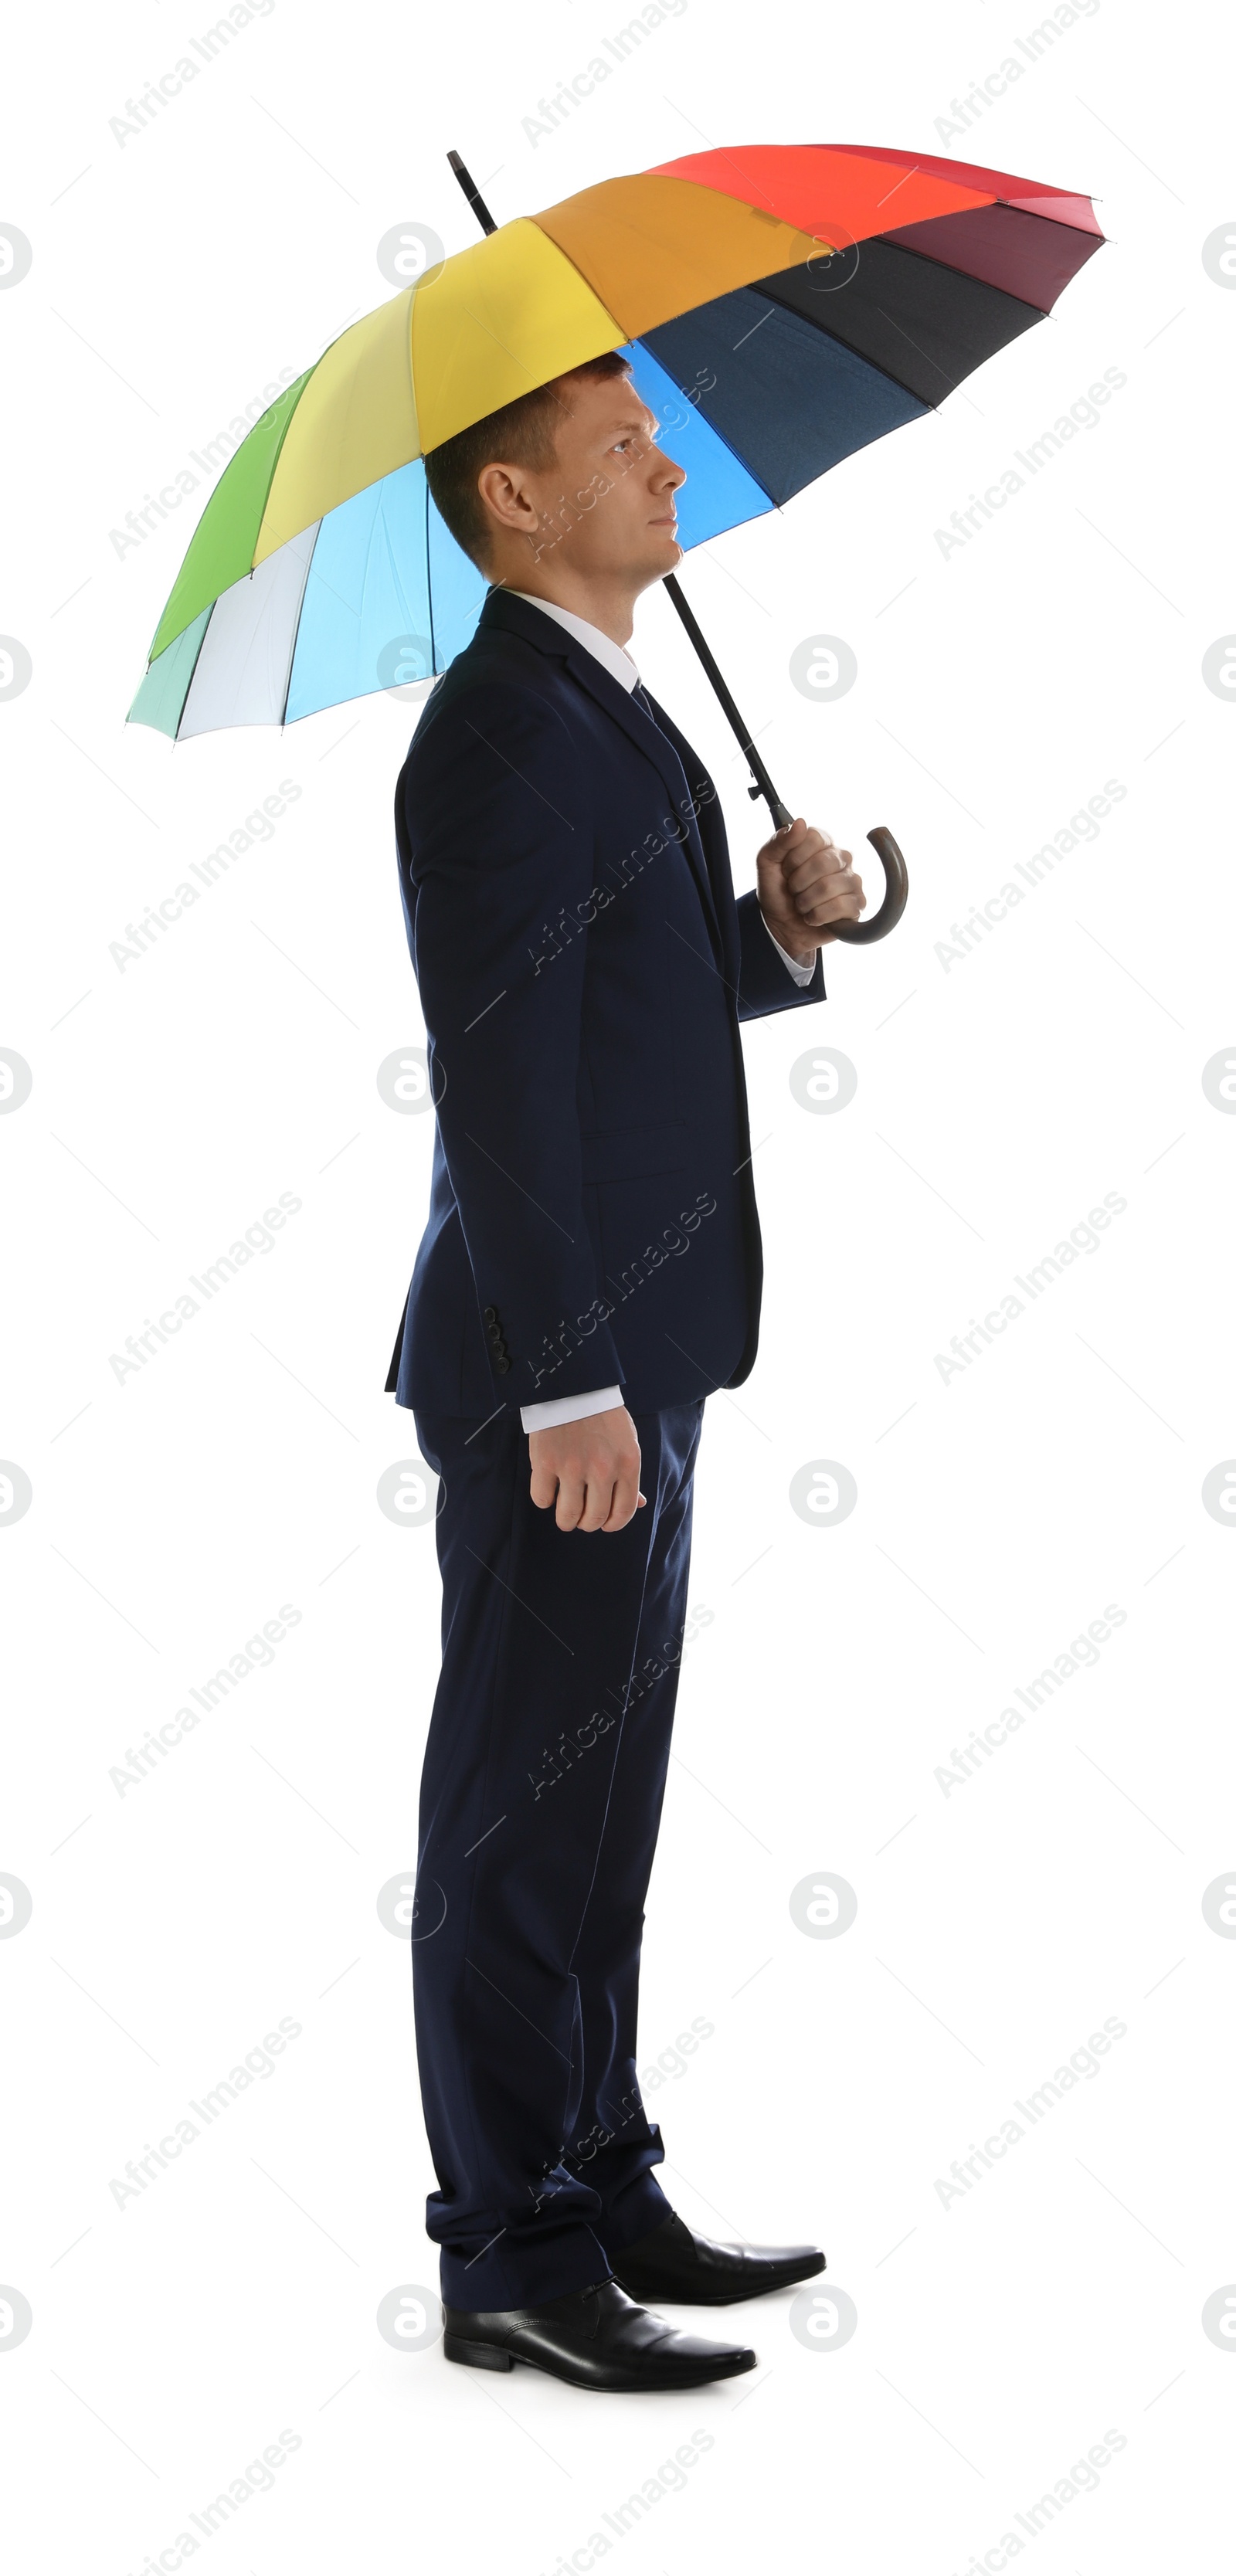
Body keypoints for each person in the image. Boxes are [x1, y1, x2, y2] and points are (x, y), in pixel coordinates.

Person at [385, 348, 866, 2391]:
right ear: (514, 501)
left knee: (604, 1807)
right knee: (523, 1809)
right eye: (616, 447)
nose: (664, 462)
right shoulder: (499, 733)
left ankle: (597, 2165)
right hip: (550, 1369)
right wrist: (570, 1381)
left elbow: (629, 1000)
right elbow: (500, 1086)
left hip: (641, 1348)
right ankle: (505, 2247)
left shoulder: (611, 711)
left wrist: (781, 925)